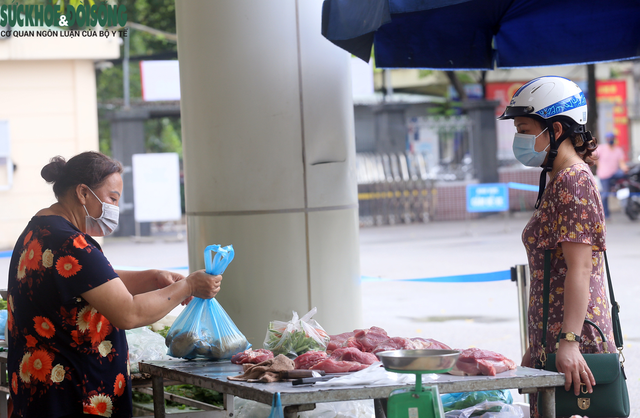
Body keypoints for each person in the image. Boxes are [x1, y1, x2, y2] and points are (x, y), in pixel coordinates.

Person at [7, 151, 222, 418]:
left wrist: (152, 278)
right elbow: (129, 313)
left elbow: (90, 280)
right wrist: (189, 287)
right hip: (73, 395)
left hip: (39, 391)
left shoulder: (40, 229)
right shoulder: (71, 244)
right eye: (112, 198)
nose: (114, 209)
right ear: (83, 193)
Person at [498, 76, 616, 417]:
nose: (519, 139)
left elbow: (580, 269)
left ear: (557, 130)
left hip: (575, 339)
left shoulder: (574, 182)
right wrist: (537, 347)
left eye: (524, 128)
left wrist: (568, 342)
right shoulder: (557, 179)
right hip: (554, 337)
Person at [596, 132, 628, 218]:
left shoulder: (618, 150)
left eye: (612, 138)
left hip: (614, 173)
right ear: (606, 139)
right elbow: (594, 158)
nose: (610, 140)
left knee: (627, 177)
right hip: (604, 175)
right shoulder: (601, 148)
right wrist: (599, 166)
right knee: (605, 195)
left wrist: (625, 168)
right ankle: (606, 215)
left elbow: (622, 163)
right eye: (609, 138)